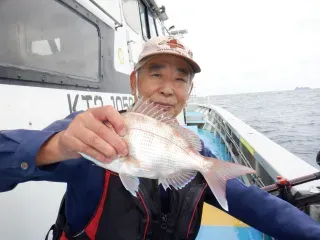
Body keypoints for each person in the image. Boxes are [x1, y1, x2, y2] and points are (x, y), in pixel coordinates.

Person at [1, 36, 320, 240]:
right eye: (155, 73)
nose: (168, 88)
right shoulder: (93, 133)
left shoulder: (197, 152)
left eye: (180, 79)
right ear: (133, 82)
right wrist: (56, 145)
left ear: (189, 92)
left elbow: (256, 205)